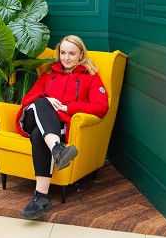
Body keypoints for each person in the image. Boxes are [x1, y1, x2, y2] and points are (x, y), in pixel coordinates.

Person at [15, 35, 109, 219]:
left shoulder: (91, 78)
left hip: (59, 126)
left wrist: (68, 108)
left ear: (81, 54)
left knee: (39, 135)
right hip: (31, 119)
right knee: (41, 102)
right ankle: (58, 149)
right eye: (63, 52)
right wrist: (47, 100)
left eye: (72, 53)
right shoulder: (48, 74)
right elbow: (27, 99)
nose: (66, 57)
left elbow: (101, 107)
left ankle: (41, 197)